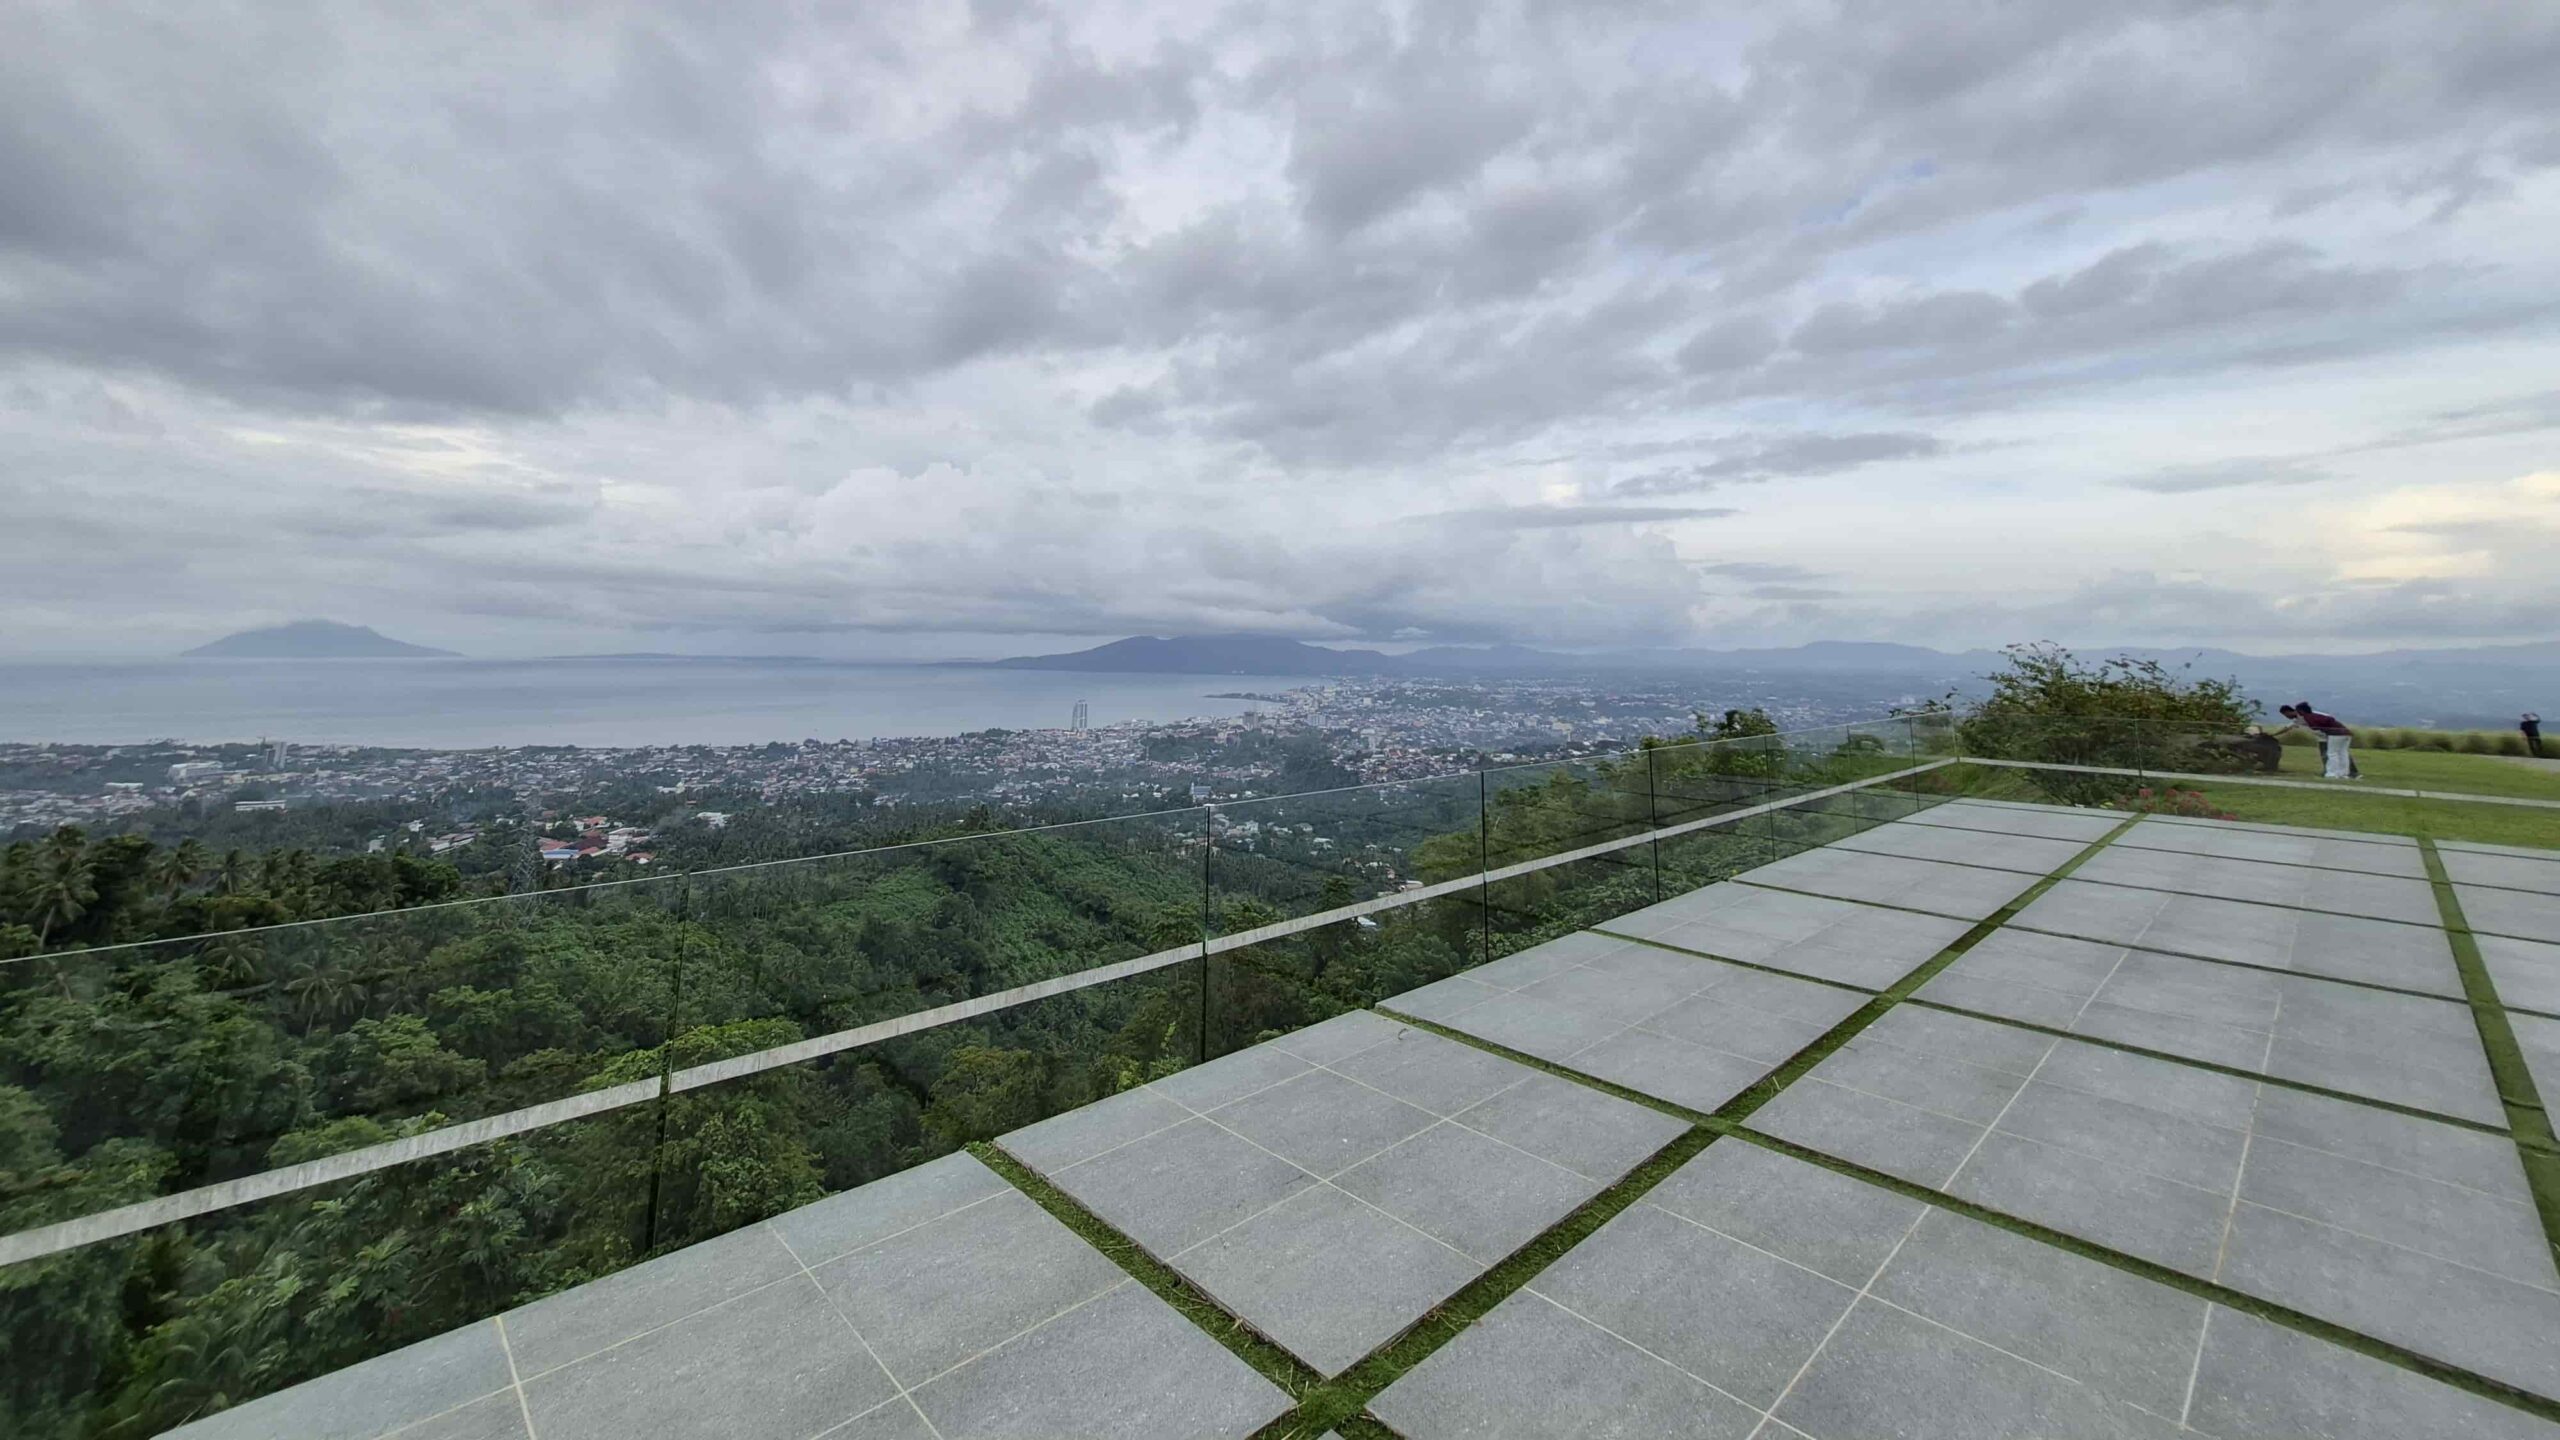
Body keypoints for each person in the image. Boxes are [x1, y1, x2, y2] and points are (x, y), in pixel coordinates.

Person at [2283, 701, 2355, 779]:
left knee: (2332, 753)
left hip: (2335, 734)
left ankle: (2332, 773)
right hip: (2346, 733)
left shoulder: (2309, 718)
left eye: (2297, 710)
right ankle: (2343, 773)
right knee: (2342, 753)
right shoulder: (2315, 715)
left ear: (2302, 711)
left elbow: (2317, 727)